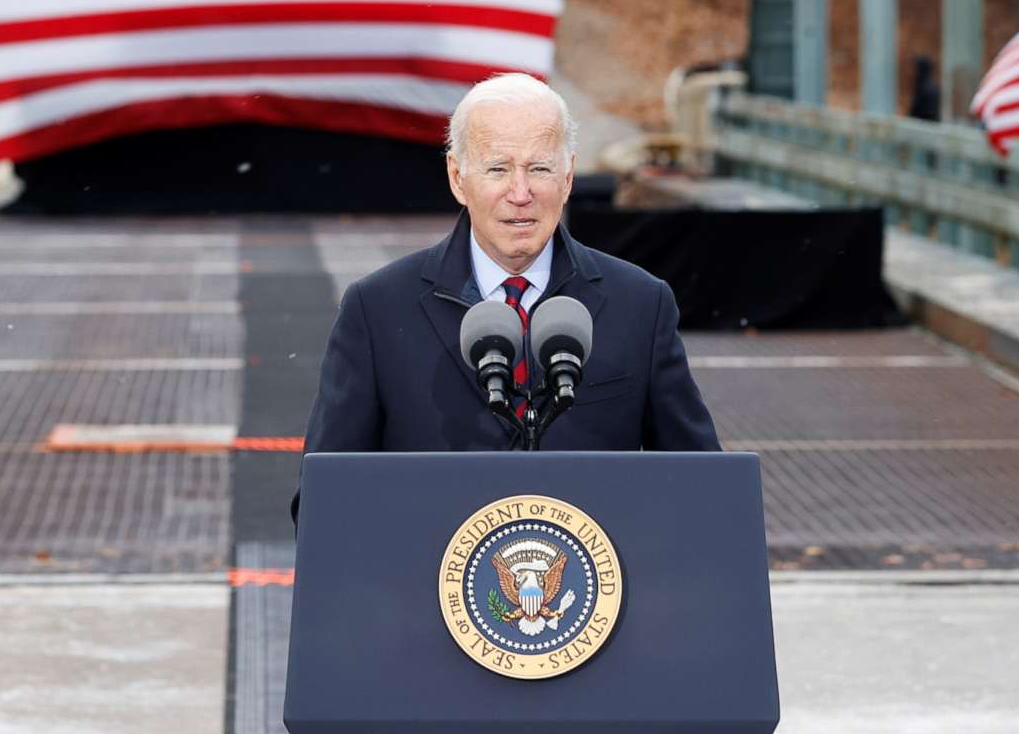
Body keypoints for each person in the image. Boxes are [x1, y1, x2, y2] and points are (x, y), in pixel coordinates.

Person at [298, 73, 722, 459]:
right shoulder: (377, 311)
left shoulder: (642, 305)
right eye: (498, 169)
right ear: (457, 177)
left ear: (569, 177)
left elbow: (701, 486)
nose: (520, 193)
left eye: (539, 168)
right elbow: (326, 498)